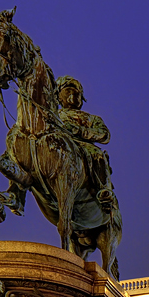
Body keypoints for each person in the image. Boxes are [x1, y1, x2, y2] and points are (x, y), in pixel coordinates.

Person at [56, 76, 115, 209]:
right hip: (59, 145)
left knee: (97, 154)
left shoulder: (91, 118)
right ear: (59, 97)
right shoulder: (54, 115)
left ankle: (104, 191)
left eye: (76, 92)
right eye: (67, 91)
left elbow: (104, 135)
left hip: (83, 146)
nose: (72, 95)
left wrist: (80, 131)